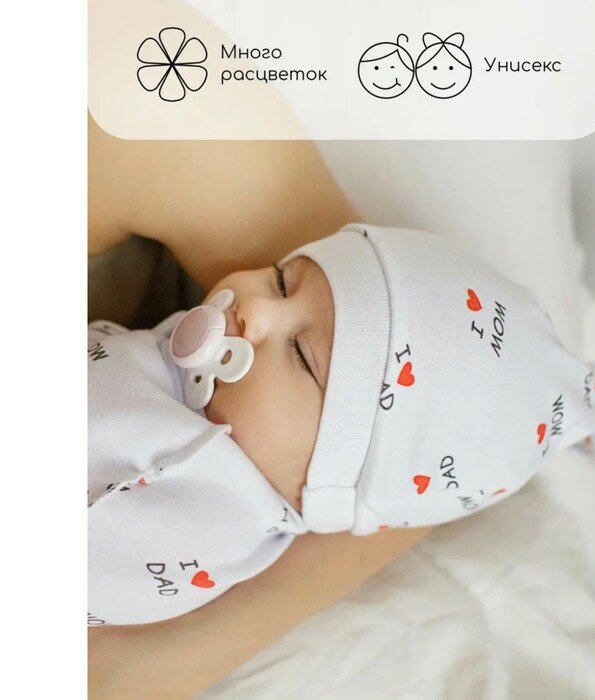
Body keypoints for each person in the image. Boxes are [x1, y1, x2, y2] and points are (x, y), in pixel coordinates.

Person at [88, 115, 434, 698]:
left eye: (301, 354)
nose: (255, 309)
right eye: (279, 280)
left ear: (317, 488)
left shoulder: (222, 505)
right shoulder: (174, 361)